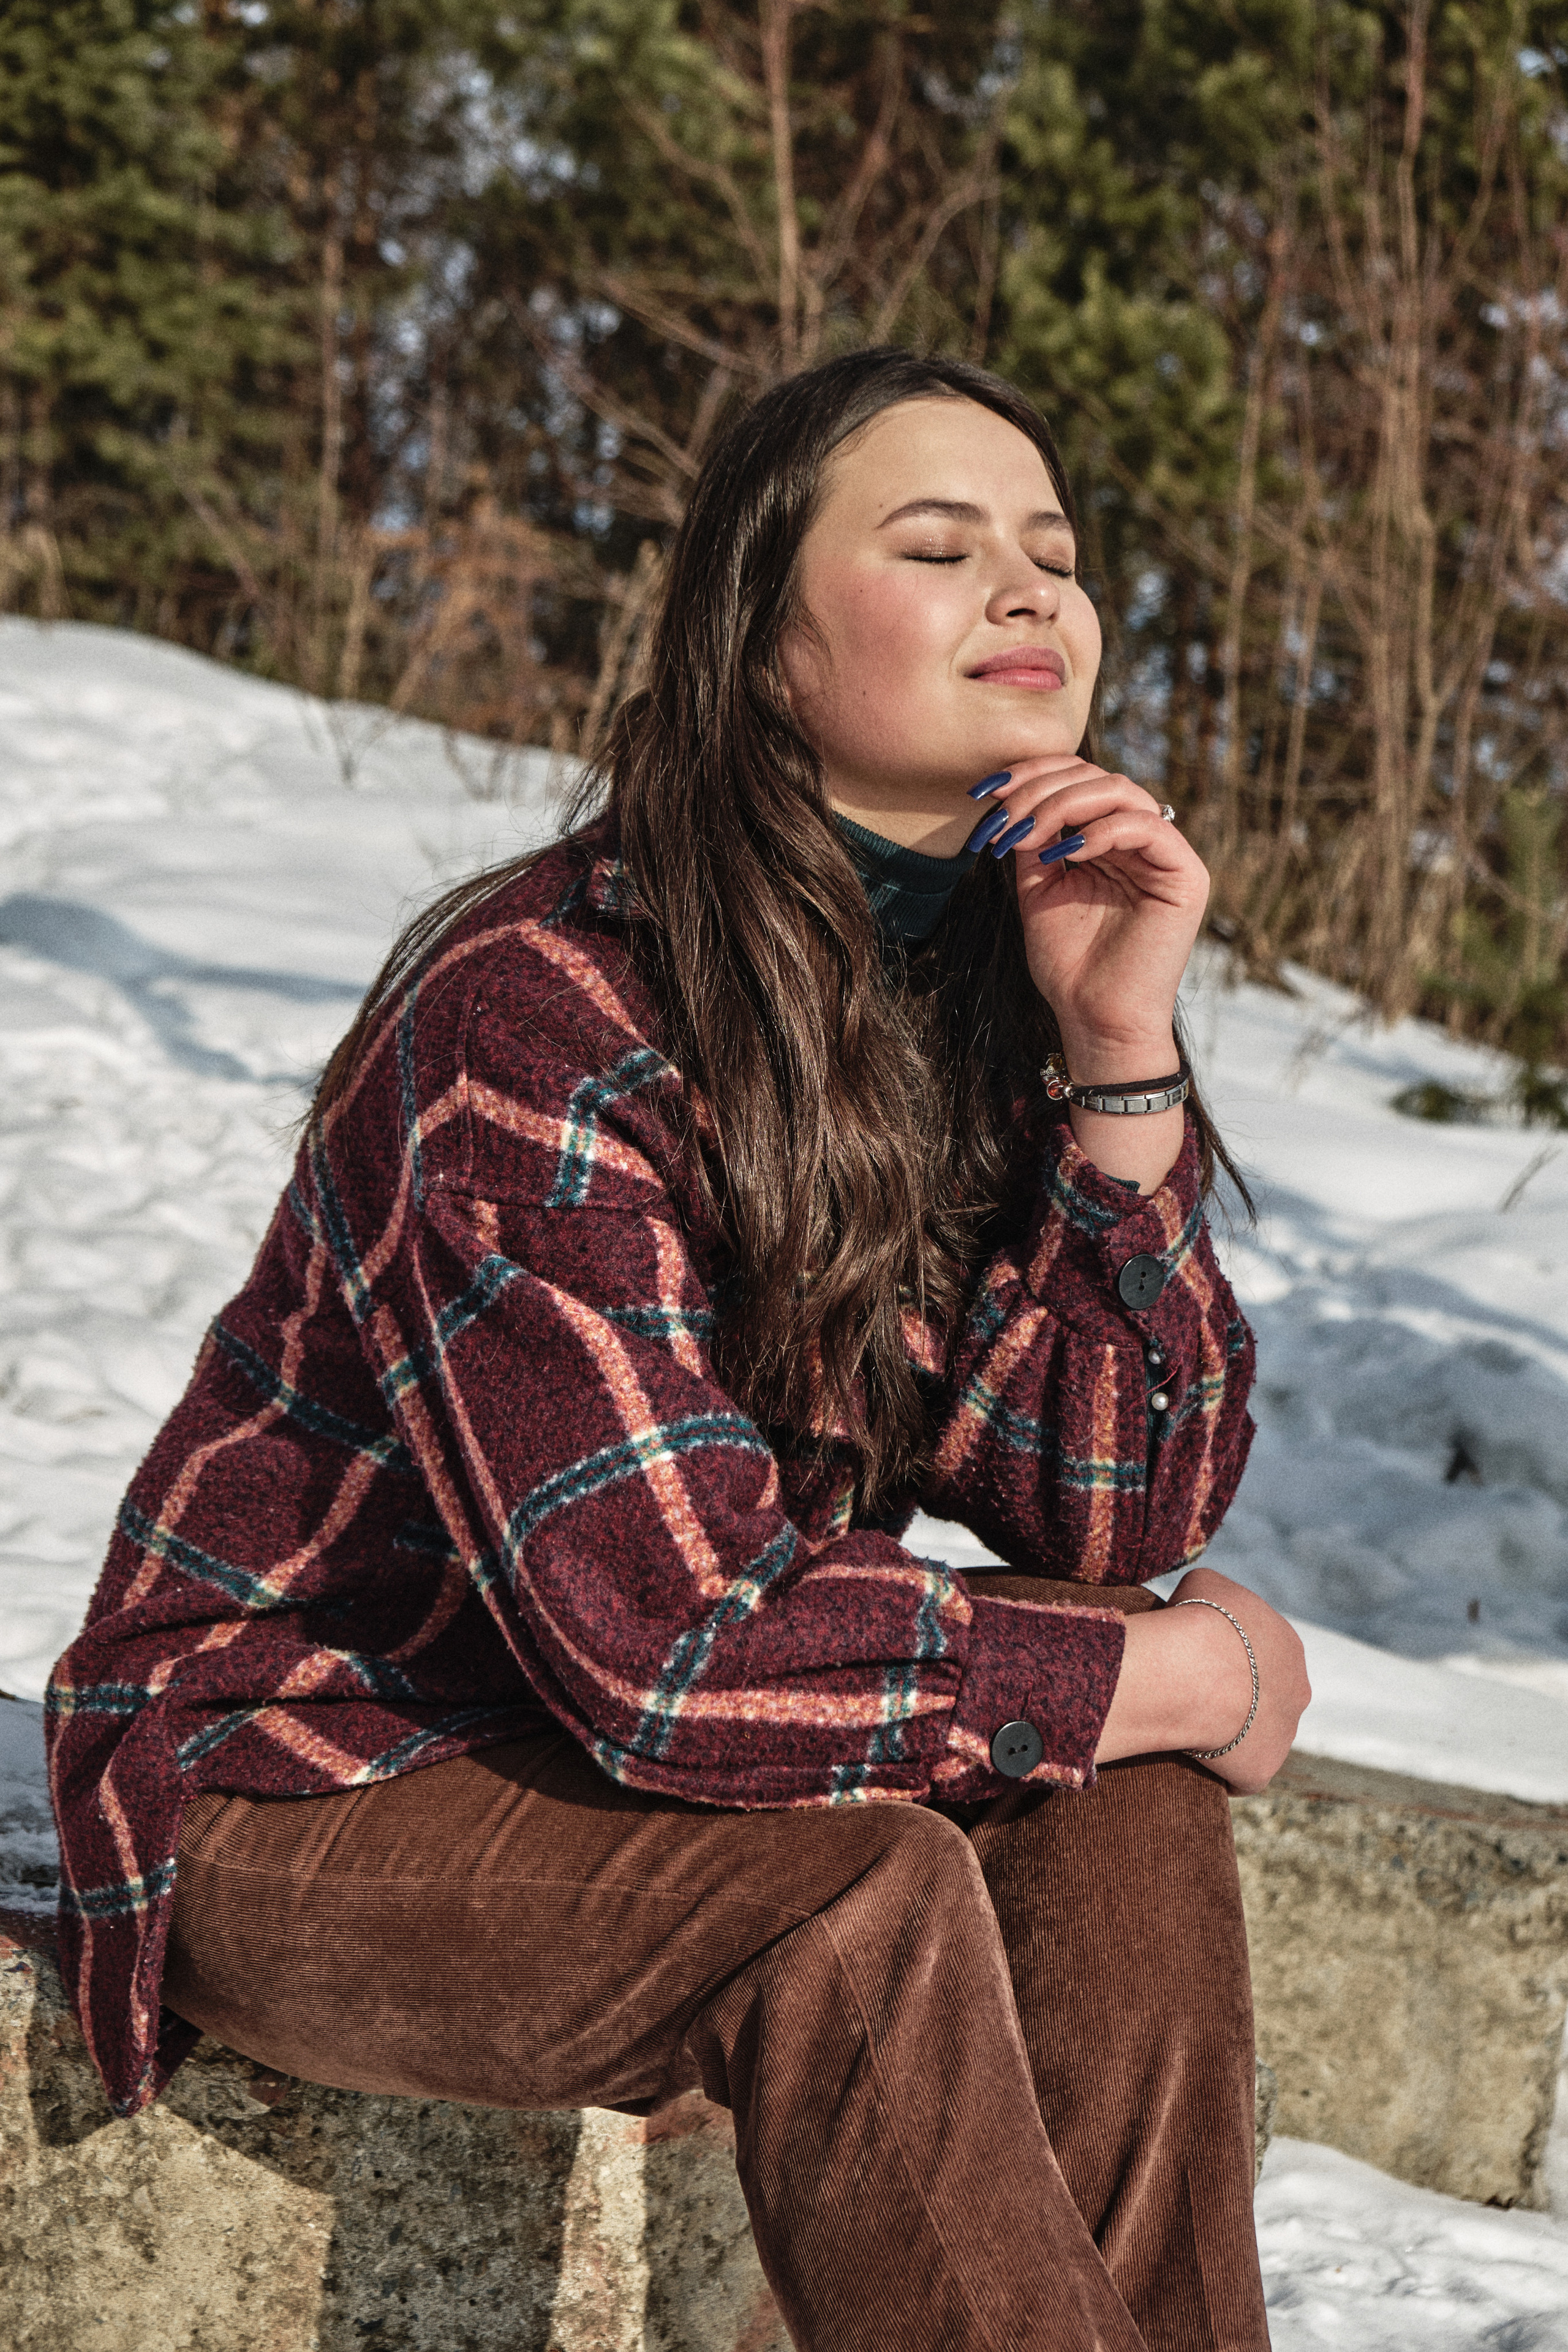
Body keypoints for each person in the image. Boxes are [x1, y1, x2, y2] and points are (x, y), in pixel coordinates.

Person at [48, 346, 1310, 2351]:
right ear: (766, 647)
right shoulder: (540, 1010)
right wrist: (1183, 1666)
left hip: (618, 1751)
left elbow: (1109, 1509)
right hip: (308, 1768)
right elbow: (675, 1648)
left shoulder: (966, 985)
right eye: (939, 546)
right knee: (866, 1895)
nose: (1029, 591)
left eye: (1056, 554)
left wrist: (1117, 1053)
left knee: (1121, 1788)